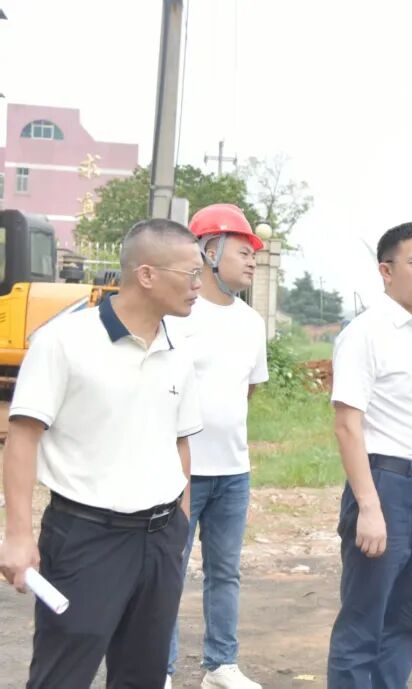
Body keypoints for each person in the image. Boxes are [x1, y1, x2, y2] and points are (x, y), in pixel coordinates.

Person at [0, 219, 204, 688]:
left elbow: (180, 442)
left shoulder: (178, 351)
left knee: (144, 674)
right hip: (86, 537)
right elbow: (23, 437)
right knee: (63, 675)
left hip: (160, 539)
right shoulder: (64, 341)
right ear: (146, 274)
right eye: (190, 273)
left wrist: (179, 525)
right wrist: (18, 535)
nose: (199, 285)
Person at [326, 222, 412, 689]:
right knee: (364, 621)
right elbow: (347, 424)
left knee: (407, 618)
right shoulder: (366, 333)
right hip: (384, 486)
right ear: (386, 271)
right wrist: (369, 507)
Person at [166, 204, 269, 689]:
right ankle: (160, 668)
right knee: (169, 571)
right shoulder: (178, 315)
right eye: (244, 252)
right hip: (179, 471)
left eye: (255, 255)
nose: (252, 262)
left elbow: (247, 390)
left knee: (225, 572)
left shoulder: (251, 322)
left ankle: (221, 665)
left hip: (233, 470)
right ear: (210, 250)